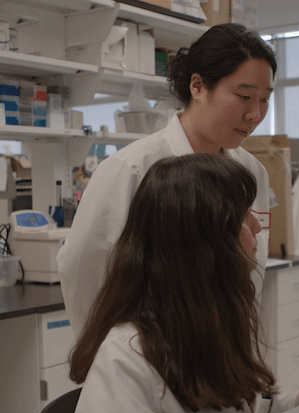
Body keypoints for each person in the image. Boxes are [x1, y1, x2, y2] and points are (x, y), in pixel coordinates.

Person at [67, 154, 299, 413]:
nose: (257, 227)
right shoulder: (126, 357)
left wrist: (297, 404)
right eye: (243, 216)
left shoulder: (210, 320)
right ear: (203, 243)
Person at [57, 23, 276, 334]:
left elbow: (252, 271)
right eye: (244, 96)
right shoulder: (133, 168)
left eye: (265, 99)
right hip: (149, 355)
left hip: (225, 351)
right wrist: (102, 352)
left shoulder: (252, 173)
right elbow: (82, 267)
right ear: (198, 86)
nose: (255, 114)